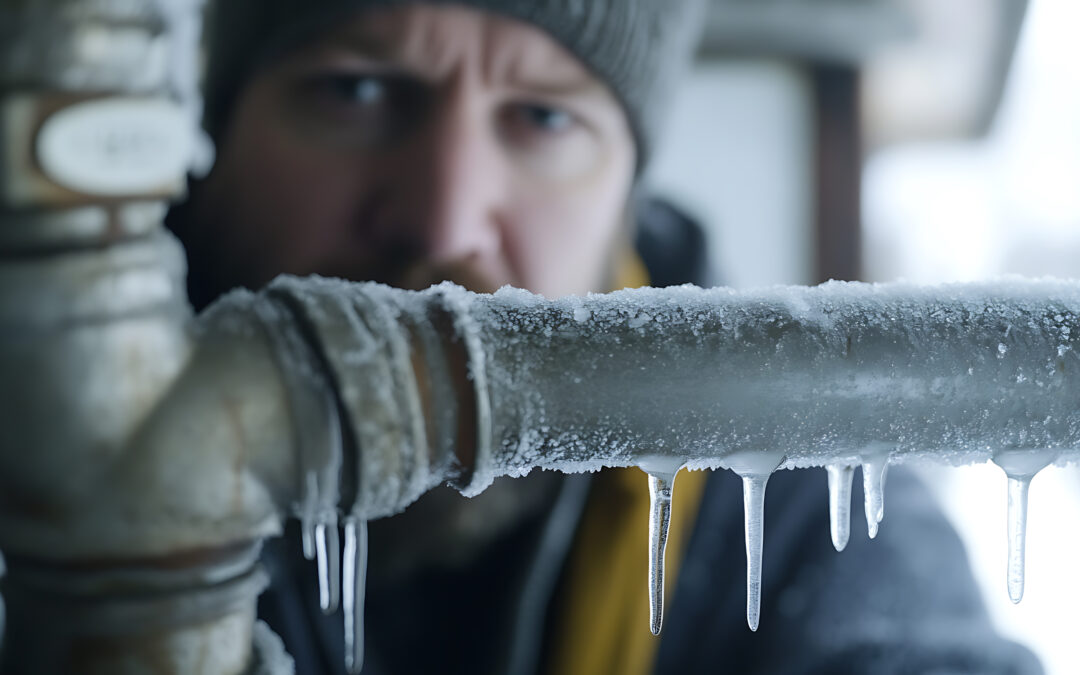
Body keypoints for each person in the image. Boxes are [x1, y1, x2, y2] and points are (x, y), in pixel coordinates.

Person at [167, 1, 1043, 673]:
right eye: (356, 90)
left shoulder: (783, 481)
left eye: (545, 117)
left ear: (628, 196)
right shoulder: (81, 405)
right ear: (219, 129)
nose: (445, 222)